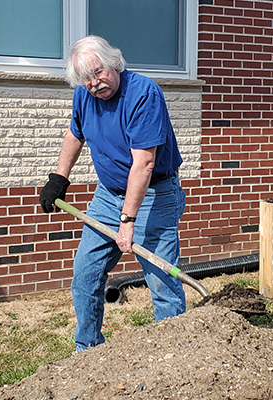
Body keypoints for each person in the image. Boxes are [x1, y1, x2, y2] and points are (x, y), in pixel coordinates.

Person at [39, 35, 187, 352]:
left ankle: (175, 355)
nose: (94, 83)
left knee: (162, 281)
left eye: (99, 72)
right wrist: (59, 178)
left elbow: (144, 164)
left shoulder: (143, 94)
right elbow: (74, 133)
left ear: (114, 63)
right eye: (86, 78)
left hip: (153, 195)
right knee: (86, 274)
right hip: (108, 195)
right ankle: (88, 349)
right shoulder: (84, 95)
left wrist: (127, 220)